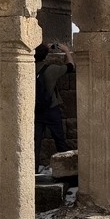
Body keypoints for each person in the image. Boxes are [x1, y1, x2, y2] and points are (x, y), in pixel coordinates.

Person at [34, 41, 74, 169]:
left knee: (34, 143)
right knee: (60, 141)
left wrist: (44, 48)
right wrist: (67, 51)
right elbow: (70, 67)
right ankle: (66, 169)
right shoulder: (51, 70)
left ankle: (32, 170)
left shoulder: (27, 68)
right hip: (51, 109)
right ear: (45, 55)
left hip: (35, 111)